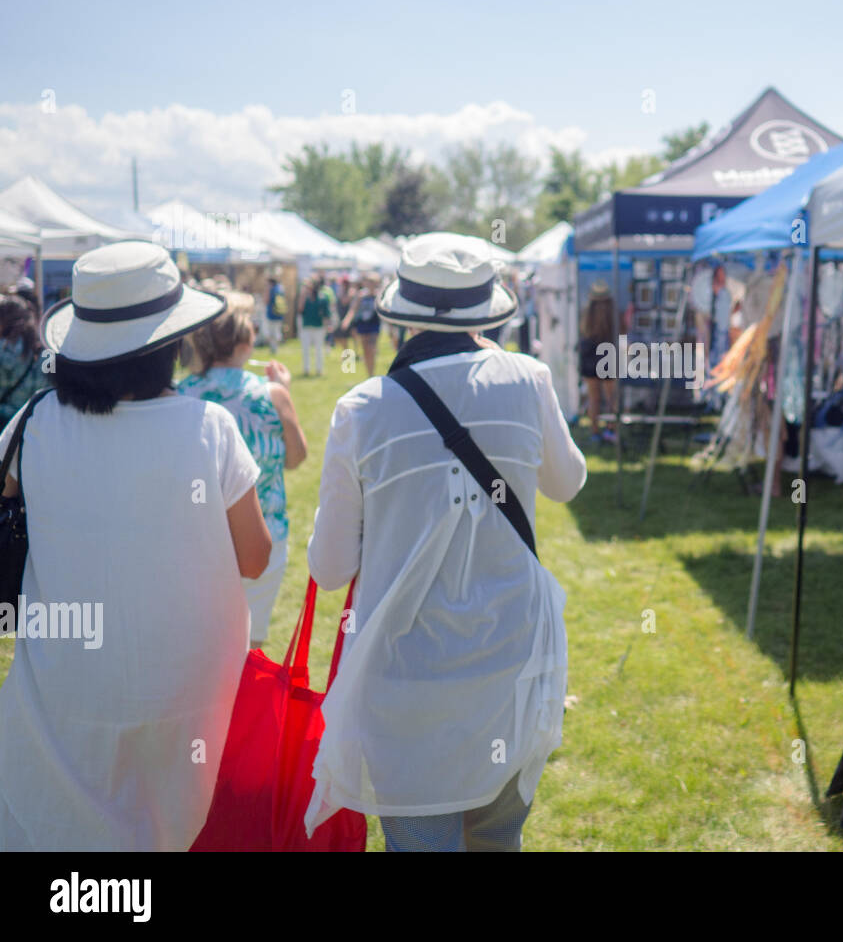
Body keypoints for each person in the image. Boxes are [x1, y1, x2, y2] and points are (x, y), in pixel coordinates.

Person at [305, 232, 586, 853]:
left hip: (408, 674)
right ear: (486, 311)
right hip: (510, 656)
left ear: (404, 313)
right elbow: (568, 483)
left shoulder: (362, 408)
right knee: (497, 838)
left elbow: (328, 569)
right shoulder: (529, 378)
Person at [0, 242, 271, 852]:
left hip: (63, 684)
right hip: (192, 690)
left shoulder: (33, 424)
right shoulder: (210, 429)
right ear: (171, 342)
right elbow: (254, 559)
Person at [179, 292, 309, 649]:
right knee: (249, 647)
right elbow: (296, 458)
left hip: (195, 535)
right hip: (263, 533)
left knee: (202, 645)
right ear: (246, 339)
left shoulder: (177, 394)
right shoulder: (271, 395)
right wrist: (283, 392)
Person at [0, 295, 48, 427]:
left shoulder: (2, 348)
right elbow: (51, 387)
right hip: (37, 421)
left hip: (6, 423)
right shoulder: (47, 350)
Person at [579, 281, 616, 442]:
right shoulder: (612, 313)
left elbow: (583, 332)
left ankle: (594, 432)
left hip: (589, 354)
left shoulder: (587, 313)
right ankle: (611, 430)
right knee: (611, 398)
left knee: (593, 398)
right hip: (608, 353)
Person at [343, 274, 381, 377]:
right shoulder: (361, 295)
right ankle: (369, 373)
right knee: (365, 349)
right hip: (363, 324)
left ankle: (372, 371)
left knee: (371, 347)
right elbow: (353, 309)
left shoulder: (378, 295)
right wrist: (347, 320)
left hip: (374, 324)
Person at [298, 275, 330, 377]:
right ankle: (306, 369)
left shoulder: (323, 298)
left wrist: (327, 327)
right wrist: (302, 295)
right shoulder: (305, 297)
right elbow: (300, 310)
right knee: (306, 349)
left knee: (319, 349)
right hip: (307, 326)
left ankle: (319, 369)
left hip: (318, 327)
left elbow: (326, 314)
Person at [265, 270, 287, 353]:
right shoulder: (280, 288)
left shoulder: (271, 289)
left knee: (272, 332)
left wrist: (266, 290)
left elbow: (266, 301)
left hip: (271, 313)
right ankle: (276, 347)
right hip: (279, 313)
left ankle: (273, 348)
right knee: (277, 331)